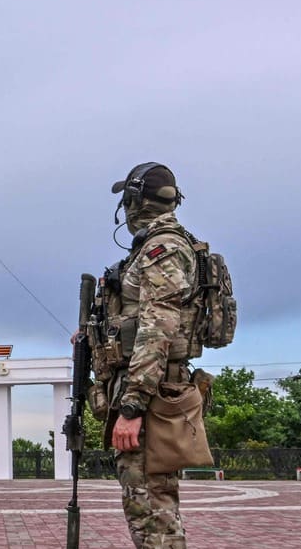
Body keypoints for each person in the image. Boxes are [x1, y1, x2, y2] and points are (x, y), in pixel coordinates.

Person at [103, 162, 197, 549]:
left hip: (153, 395)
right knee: (147, 505)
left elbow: (157, 328)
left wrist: (133, 408)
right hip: (154, 389)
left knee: (152, 509)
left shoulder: (162, 249)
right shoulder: (154, 247)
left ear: (135, 201)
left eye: (127, 199)